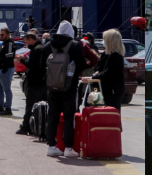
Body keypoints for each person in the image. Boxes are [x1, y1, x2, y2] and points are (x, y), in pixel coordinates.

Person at [43, 21, 87, 157]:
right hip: (70, 87)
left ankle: (51, 146)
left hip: (52, 87)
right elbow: (82, 65)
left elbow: (41, 66)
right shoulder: (74, 45)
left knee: (52, 116)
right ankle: (68, 148)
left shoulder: (47, 45)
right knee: (69, 116)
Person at [17, 32, 46, 135]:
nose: (26, 44)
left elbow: (32, 65)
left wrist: (22, 59)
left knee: (30, 106)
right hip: (42, 82)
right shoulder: (41, 48)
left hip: (35, 83)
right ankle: (36, 126)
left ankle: (25, 127)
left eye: (26, 42)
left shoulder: (36, 50)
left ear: (31, 40)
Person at [91, 29, 126, 111]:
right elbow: (102, 70)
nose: (103, 41)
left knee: (111, 113)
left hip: (113, 91)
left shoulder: (116, 56)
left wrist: (94, 77)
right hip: (105, 89)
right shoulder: (106, 54)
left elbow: (108, 73)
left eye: (104, 39)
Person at [0, 27, 17, 116]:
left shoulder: (9, 44)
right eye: (0, 34)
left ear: (8, 35)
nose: (0, 36)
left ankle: (8, 108)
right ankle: (0, 107)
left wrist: (3, 71)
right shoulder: (3, 44)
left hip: (5, 70)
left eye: (2, 35)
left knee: (6, 89)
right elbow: (0, 58)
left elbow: (9, 58)